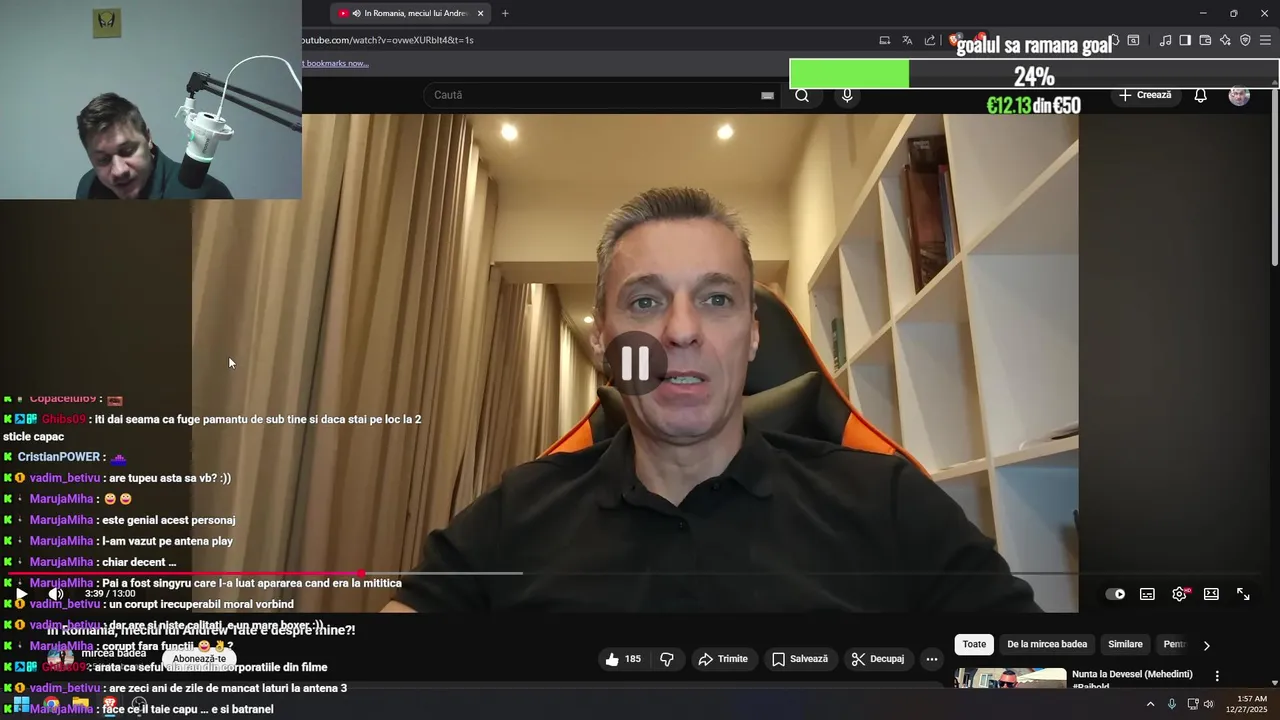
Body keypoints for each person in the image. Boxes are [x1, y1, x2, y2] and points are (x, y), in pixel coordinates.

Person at [383, 187, 1040, 613]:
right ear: (604, 342)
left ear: (752, 336)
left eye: (716, 299)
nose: (681, 331)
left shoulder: (887, 502)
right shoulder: (516, 512)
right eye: (645, 301)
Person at [75, 93, 233, 200]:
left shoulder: (207, 196)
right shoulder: (88, 187)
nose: (119, 171)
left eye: (127, 151)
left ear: (148, 138)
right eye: (103, 160)